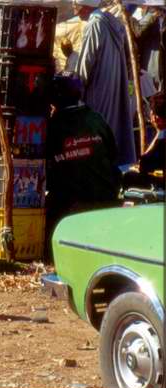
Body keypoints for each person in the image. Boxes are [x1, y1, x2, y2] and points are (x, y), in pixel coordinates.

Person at [45, 76, 121, 257]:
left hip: (73, 200)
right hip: (107, 193)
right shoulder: (96, 119)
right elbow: (113, 154)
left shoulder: (54, 125)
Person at [74, 0, 135, 165]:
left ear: (85, 5)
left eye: (75, 3)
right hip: (111, 88)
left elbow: (86, 63)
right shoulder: (110, 22)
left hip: (97, 90)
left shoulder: (95, 24)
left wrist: (76, 89)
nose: (74, 8)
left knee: (95, 136)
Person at [139, 92, 166, 174]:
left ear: (156, 117)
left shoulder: (162, 142)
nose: (151, 119)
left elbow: (144, 165)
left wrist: (159, 131)